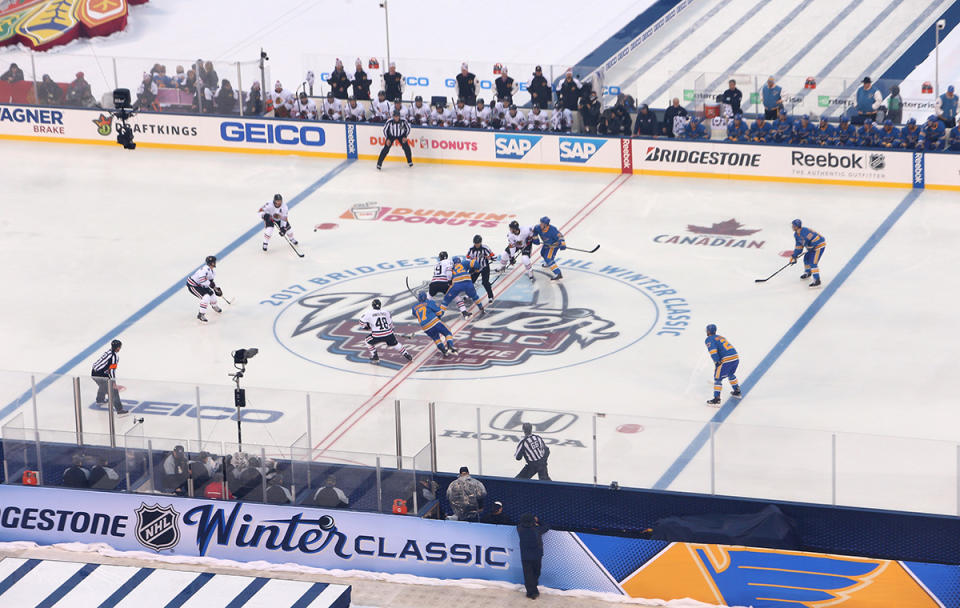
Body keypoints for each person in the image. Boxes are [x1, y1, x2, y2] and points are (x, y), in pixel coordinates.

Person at [359, 298, 413, 364]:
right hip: (388, 333)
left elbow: (361, 322)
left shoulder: (368, 313)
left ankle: (375, 356)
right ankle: (407, 354)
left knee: (367, 341)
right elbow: (390, 324)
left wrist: (366, 327)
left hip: (377, 335)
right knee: (396, 344)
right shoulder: (386, 312)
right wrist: (391, 330)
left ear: (372, 305)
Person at [412, 291, 458, 357]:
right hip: (434, 322)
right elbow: (439, 313)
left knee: (436, 338)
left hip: (425, 327)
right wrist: (438, 316)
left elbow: (415, 314)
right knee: (447, 332)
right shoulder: (430, 302)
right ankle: (450, 347)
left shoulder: (414, 307)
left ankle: (444, 351)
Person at [704, 324, 741, 406]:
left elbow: (713, 351)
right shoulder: (721, 337)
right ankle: (737, 391)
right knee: (731, 374)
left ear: (709, 331)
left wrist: (717, 361)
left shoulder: (709, 339)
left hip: (726, 360)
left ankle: (716, 399)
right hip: (735, 358)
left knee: (718, 379)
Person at [516, 513, 549, 599]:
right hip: (536, 555)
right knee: (536, 573)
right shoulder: (537, 529)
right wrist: (538, 521)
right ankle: (533, 591)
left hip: (525, 556)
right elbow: (547, 526)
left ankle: (531, 591)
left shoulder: (519, 528)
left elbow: (520, 523)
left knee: (528, 575)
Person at [91, 339, 127, 414]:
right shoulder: (114, 357)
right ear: (118, 348)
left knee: (103, 385)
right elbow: (112, 370)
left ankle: (100, 399)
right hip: (100, 374)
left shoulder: (108, 352)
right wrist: (113, 382)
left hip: (94, 372)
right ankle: (119, 410)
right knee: (113, 391)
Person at [790, 219, 826, 287]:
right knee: (806, 259)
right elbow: (799, 246)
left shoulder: (806, 231)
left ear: (797, 226)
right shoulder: (796, 235)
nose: (792, 226)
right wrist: (794, 255)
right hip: (811, 248)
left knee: (813, 262)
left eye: (793, 225)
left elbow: (817, 239)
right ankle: (808, 272)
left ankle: (817, 280)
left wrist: (811, 246)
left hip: (818, 247)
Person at [186, 255, 222, 323]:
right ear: (211, 263)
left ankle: (214, 306)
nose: (215, 263)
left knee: (212, 295)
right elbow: (202, 280)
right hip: (193, 285)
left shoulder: (212, 271)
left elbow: (211, 282)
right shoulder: (205, 269)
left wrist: (215, 288)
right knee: (206, 297)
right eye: (214, 262)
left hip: (201, 284)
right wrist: (210, 284)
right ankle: (201, 314)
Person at [532, 216, 565, 281]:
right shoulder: (538, 227)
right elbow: (535, 232)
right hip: (546, 244)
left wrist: (562, 244)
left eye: (542, 223)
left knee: (548, 258)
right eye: (540, 222)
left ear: (545, 225)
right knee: (542, 253)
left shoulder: (552, 230)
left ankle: (558, 273)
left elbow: (560, 236)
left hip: (553, 246)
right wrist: (535, 239)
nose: (540, 224)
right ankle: (548, 263)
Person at [466, 234, 496, 302]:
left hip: (484, 267)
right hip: (475, 268)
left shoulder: (485, 248)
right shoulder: (471, 249)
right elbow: (468, 257)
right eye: (475, 243)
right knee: (470, 282)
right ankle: (469, 294)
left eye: (478, 243)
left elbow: (493, 256)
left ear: (480, 242)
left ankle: (490, 296)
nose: (476, 245)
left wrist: (490, 257)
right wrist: (471, 265)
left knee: (485, 282)